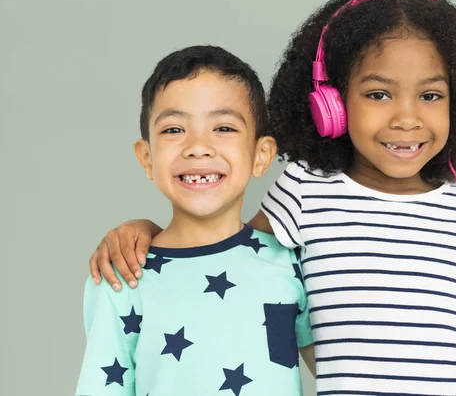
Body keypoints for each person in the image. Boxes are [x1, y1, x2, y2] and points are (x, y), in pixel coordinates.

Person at [88, 0, 456, 395]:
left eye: (431, 96)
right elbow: (226, 245)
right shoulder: (305, 190)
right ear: (331, 104)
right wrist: (145, 230)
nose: (407, 119)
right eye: (379, 95)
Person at [76, 45, 314, 396]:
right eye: (174, 130)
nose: (198, 147)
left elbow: (345, 377)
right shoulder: (122, 276)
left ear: (261, 155)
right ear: (147, 158)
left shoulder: (292, 262)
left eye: (224, 128)